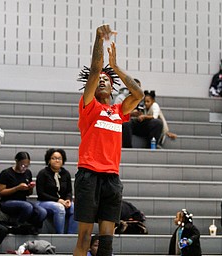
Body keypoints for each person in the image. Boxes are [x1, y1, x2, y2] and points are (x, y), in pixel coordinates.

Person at [73, 24, 144, 256]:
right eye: (99, 79)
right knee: (84, 238)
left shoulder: (119, 110)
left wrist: (115, 67)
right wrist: (98, 40)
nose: (102, 80)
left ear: (113, 86)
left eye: (107, 78)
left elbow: (139, 95)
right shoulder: (88, 106)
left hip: (112, 179)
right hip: (88, 175)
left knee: (106, 241)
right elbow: (94, 70)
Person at [0, 151, 47, 234]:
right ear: (16, 161)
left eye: (27, 166)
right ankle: (16, 226)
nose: (24, 168)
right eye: (22, 165)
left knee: (42, 212)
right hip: (7, 202)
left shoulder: (28, 173)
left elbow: (29, 194)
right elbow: (0, 192)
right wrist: (17, 188)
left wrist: (30, 188)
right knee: (27, 207)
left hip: (22, 201)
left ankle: (32, 227)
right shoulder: (6, 173)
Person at [36, 148, 77, 234]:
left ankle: (71, 234)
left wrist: (68, 200)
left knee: (75, 208)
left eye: (59, 158)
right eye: (53, 158)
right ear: (49, 160)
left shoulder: (66, 174)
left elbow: (69, 190)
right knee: (59, 208)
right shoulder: (43, 173)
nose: (57, 160)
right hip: (44, 202)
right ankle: (60, 235)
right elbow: (41, 193)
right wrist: (58, 200)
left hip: (62, 201)